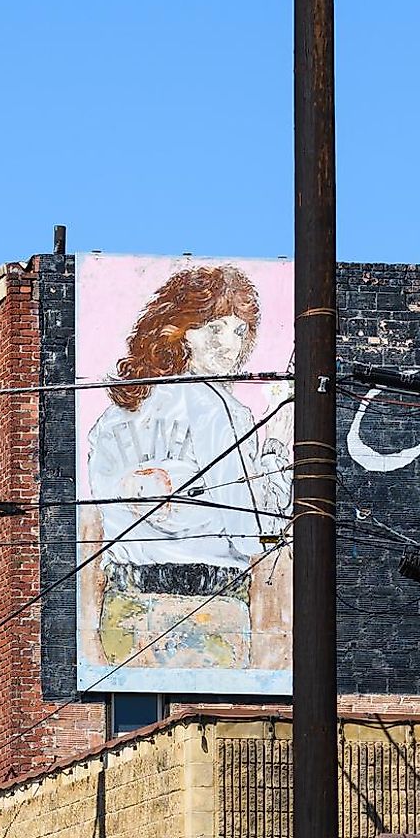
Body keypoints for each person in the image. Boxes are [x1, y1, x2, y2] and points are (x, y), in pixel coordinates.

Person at [81, 263, 293, 677]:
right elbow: (255, 529)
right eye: (214, 328)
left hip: (122, 611)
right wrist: (275, 445)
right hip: (206, 614)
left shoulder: (114, 415)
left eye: (239, 331)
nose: (230, 346)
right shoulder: (222, 410)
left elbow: (104, 510)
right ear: (182, 330)